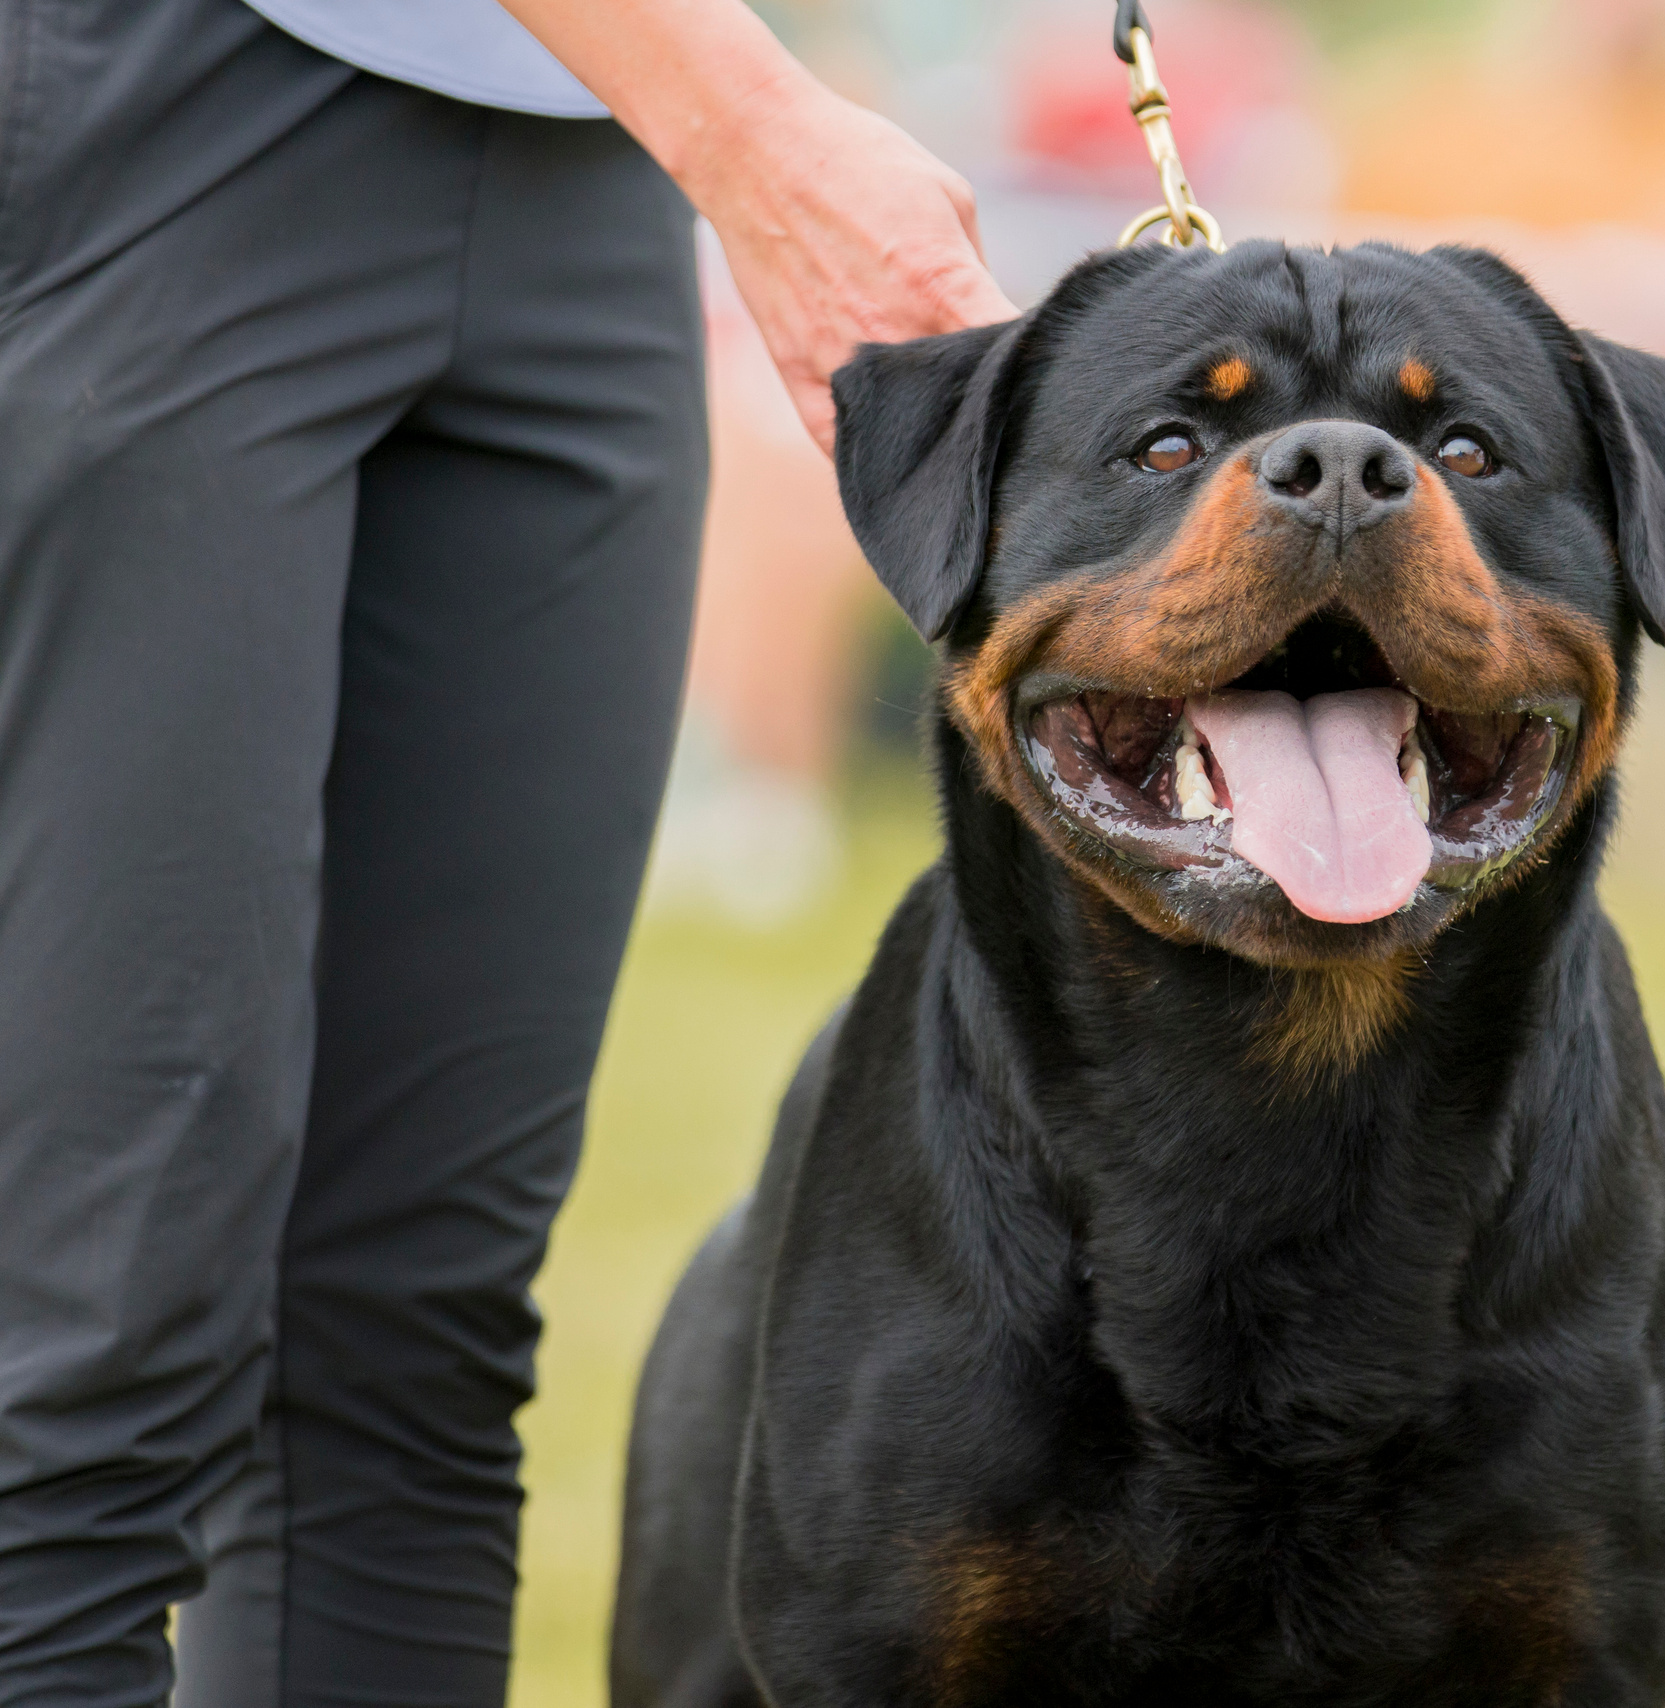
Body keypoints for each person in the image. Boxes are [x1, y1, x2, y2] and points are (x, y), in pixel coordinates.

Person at [0, 0, 1011, 1700]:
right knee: (89, 1349)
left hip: (590, 138)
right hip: (172, 96)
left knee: (409, 1351)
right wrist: (759, 138)